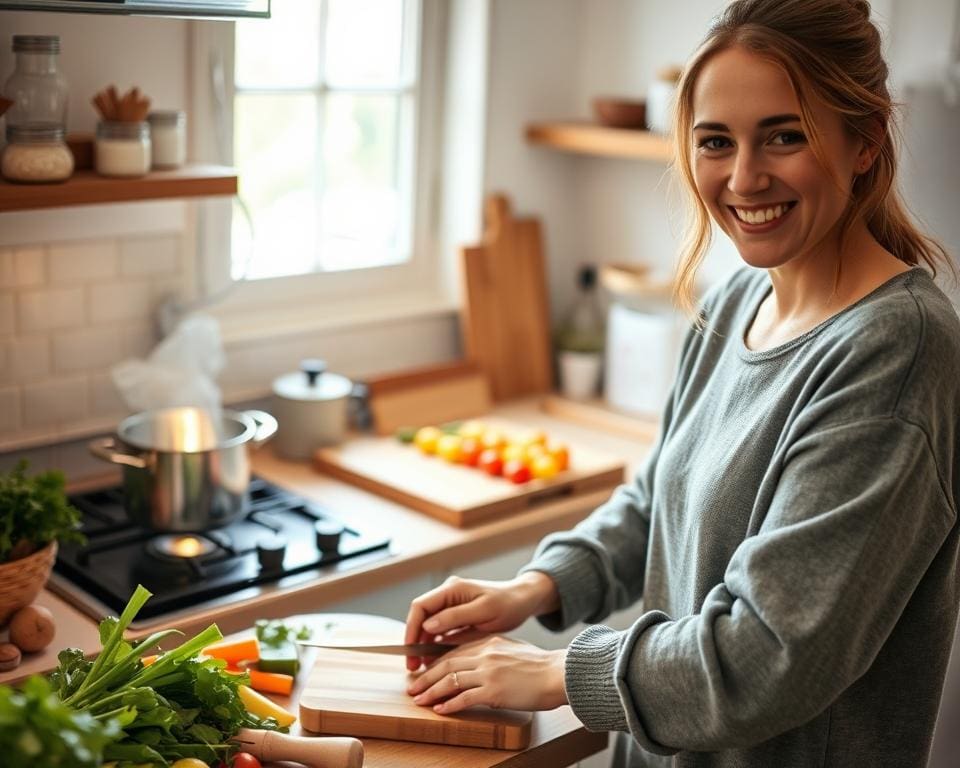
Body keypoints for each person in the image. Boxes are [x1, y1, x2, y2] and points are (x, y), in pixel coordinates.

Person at [403, 0, 960, 766]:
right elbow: (658, 496)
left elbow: (765, 657)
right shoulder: (736, 301)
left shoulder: (897, 352)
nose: (743, 177)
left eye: (784, 136)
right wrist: (534, 587)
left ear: (863, 140)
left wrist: (556, 671)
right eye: (715, 142)